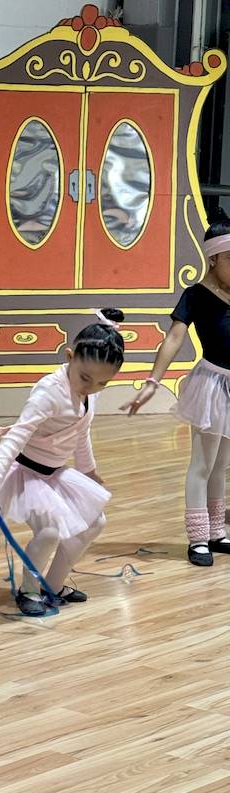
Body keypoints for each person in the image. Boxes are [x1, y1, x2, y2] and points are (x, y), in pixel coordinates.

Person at [0, 309, 125, 616]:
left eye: (101, 383)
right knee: (48, 532)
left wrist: (89, 471)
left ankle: (53, 584)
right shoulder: (49, 391)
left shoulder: (87, 393)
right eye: (85, 378)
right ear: (69, 356)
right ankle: (29, 590)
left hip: (55, 473)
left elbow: (81, 432)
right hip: (26, 473)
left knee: (95, 521)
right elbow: (18, 434)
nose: (91, 387)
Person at [121, 217, 230, 566]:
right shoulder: (196, 295)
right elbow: (173, 339)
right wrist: (153, 382)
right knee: (202, 464)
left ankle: (217, 532)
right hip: (211, 385)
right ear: (213, 258)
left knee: (221, 466)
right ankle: (197, 538)